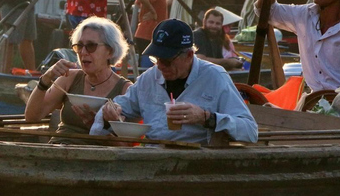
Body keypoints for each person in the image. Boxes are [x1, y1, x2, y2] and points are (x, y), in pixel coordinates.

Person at [91, 19, 258, 145]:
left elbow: (250, 131)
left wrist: (206, 118)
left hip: (196, 163)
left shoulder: (215, 77)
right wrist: (108, 114)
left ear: (189, 55)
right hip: (150, 158)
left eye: (167, 61)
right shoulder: (149, 78)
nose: (161, 66)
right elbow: (117, 107)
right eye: (156, 59)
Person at [24, 16, 133, 144]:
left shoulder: (125, 90)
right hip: (58, 149)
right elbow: (32, 117)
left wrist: (101, 129)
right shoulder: (69, 78)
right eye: (79, 46)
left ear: (110, 51)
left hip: (97, 158)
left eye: (91, 46)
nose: (83, 52)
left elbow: (127, 146)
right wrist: (46, 79)